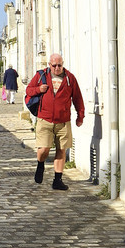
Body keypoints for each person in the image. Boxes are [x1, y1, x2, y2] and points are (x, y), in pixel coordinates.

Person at [25, 53, 85, 191]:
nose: (57, 68)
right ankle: (40, 165)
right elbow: (28, 90)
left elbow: (77, 98)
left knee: (61, 149)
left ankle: (58, 180)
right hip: (44, 118)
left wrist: (80, 116)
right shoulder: (41, 76)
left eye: (60, 65)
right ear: (49, 65)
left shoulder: (70, 78)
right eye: (54, 65)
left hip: (63, 120)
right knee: (43, 148)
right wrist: (38, 89)